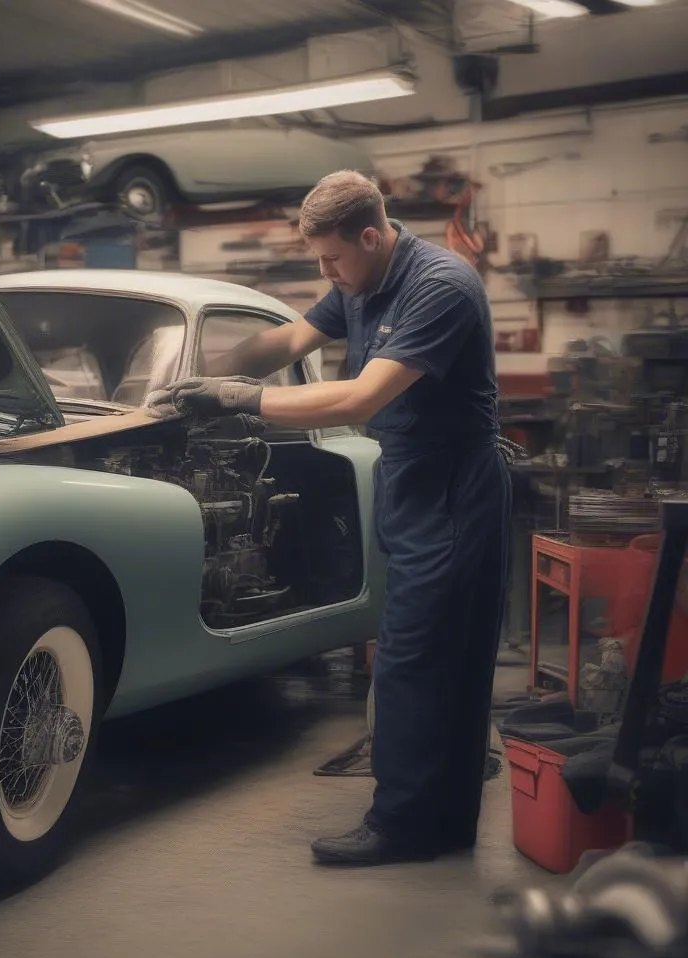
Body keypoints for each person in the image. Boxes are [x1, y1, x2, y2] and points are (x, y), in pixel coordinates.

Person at [146, 170, 513, 866]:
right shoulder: (362, 280)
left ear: (371, 236)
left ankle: (401, 826)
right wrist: (192, 383)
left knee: (414, 658)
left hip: (455, 484)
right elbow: (286, 344)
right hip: (415, 478)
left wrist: (236, 400)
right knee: (446, 659)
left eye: (331, 258)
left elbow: (359, 401)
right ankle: (447, 824)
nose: (325, 273)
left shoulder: (441, 285)